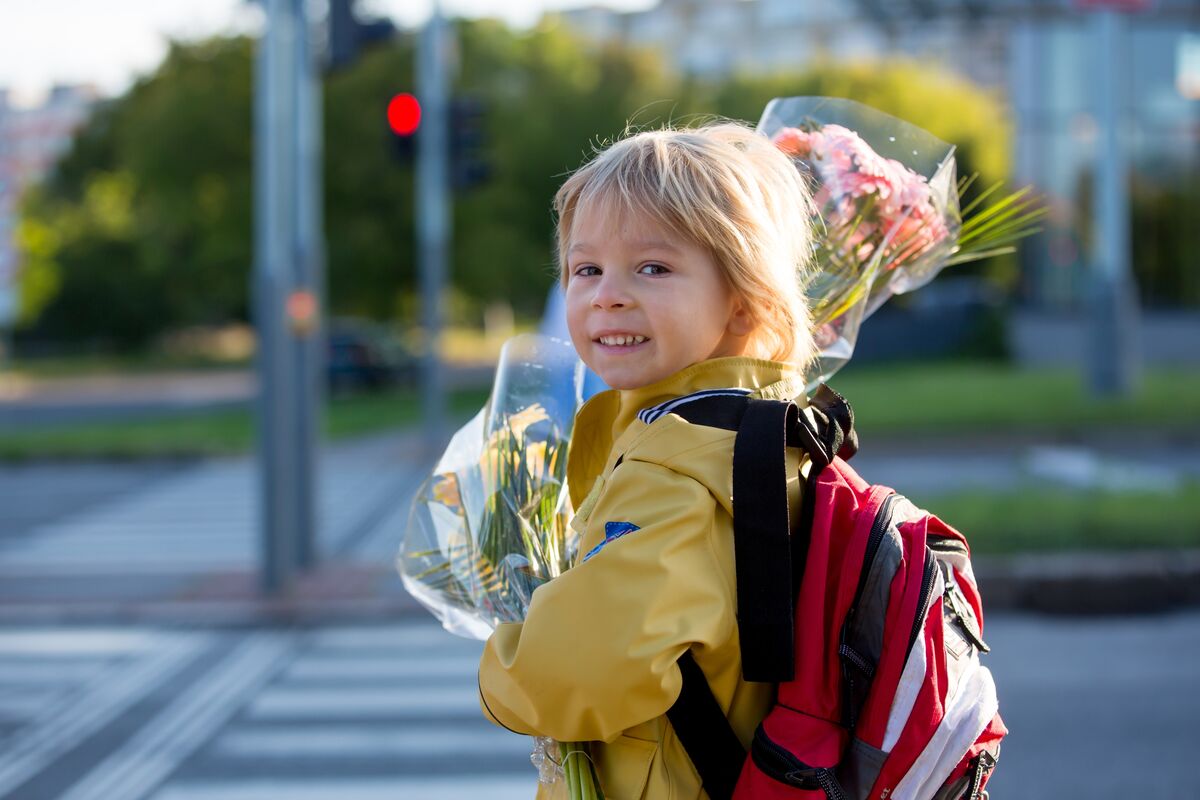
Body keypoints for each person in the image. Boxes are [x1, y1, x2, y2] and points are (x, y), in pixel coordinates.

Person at [478, 121, 820, 799]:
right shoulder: (767, 430)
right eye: (586, 269)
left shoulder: (674, 470)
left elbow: (573, 675)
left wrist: (505, 658)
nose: (608, 294)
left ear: (743, 299)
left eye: (653, 267)